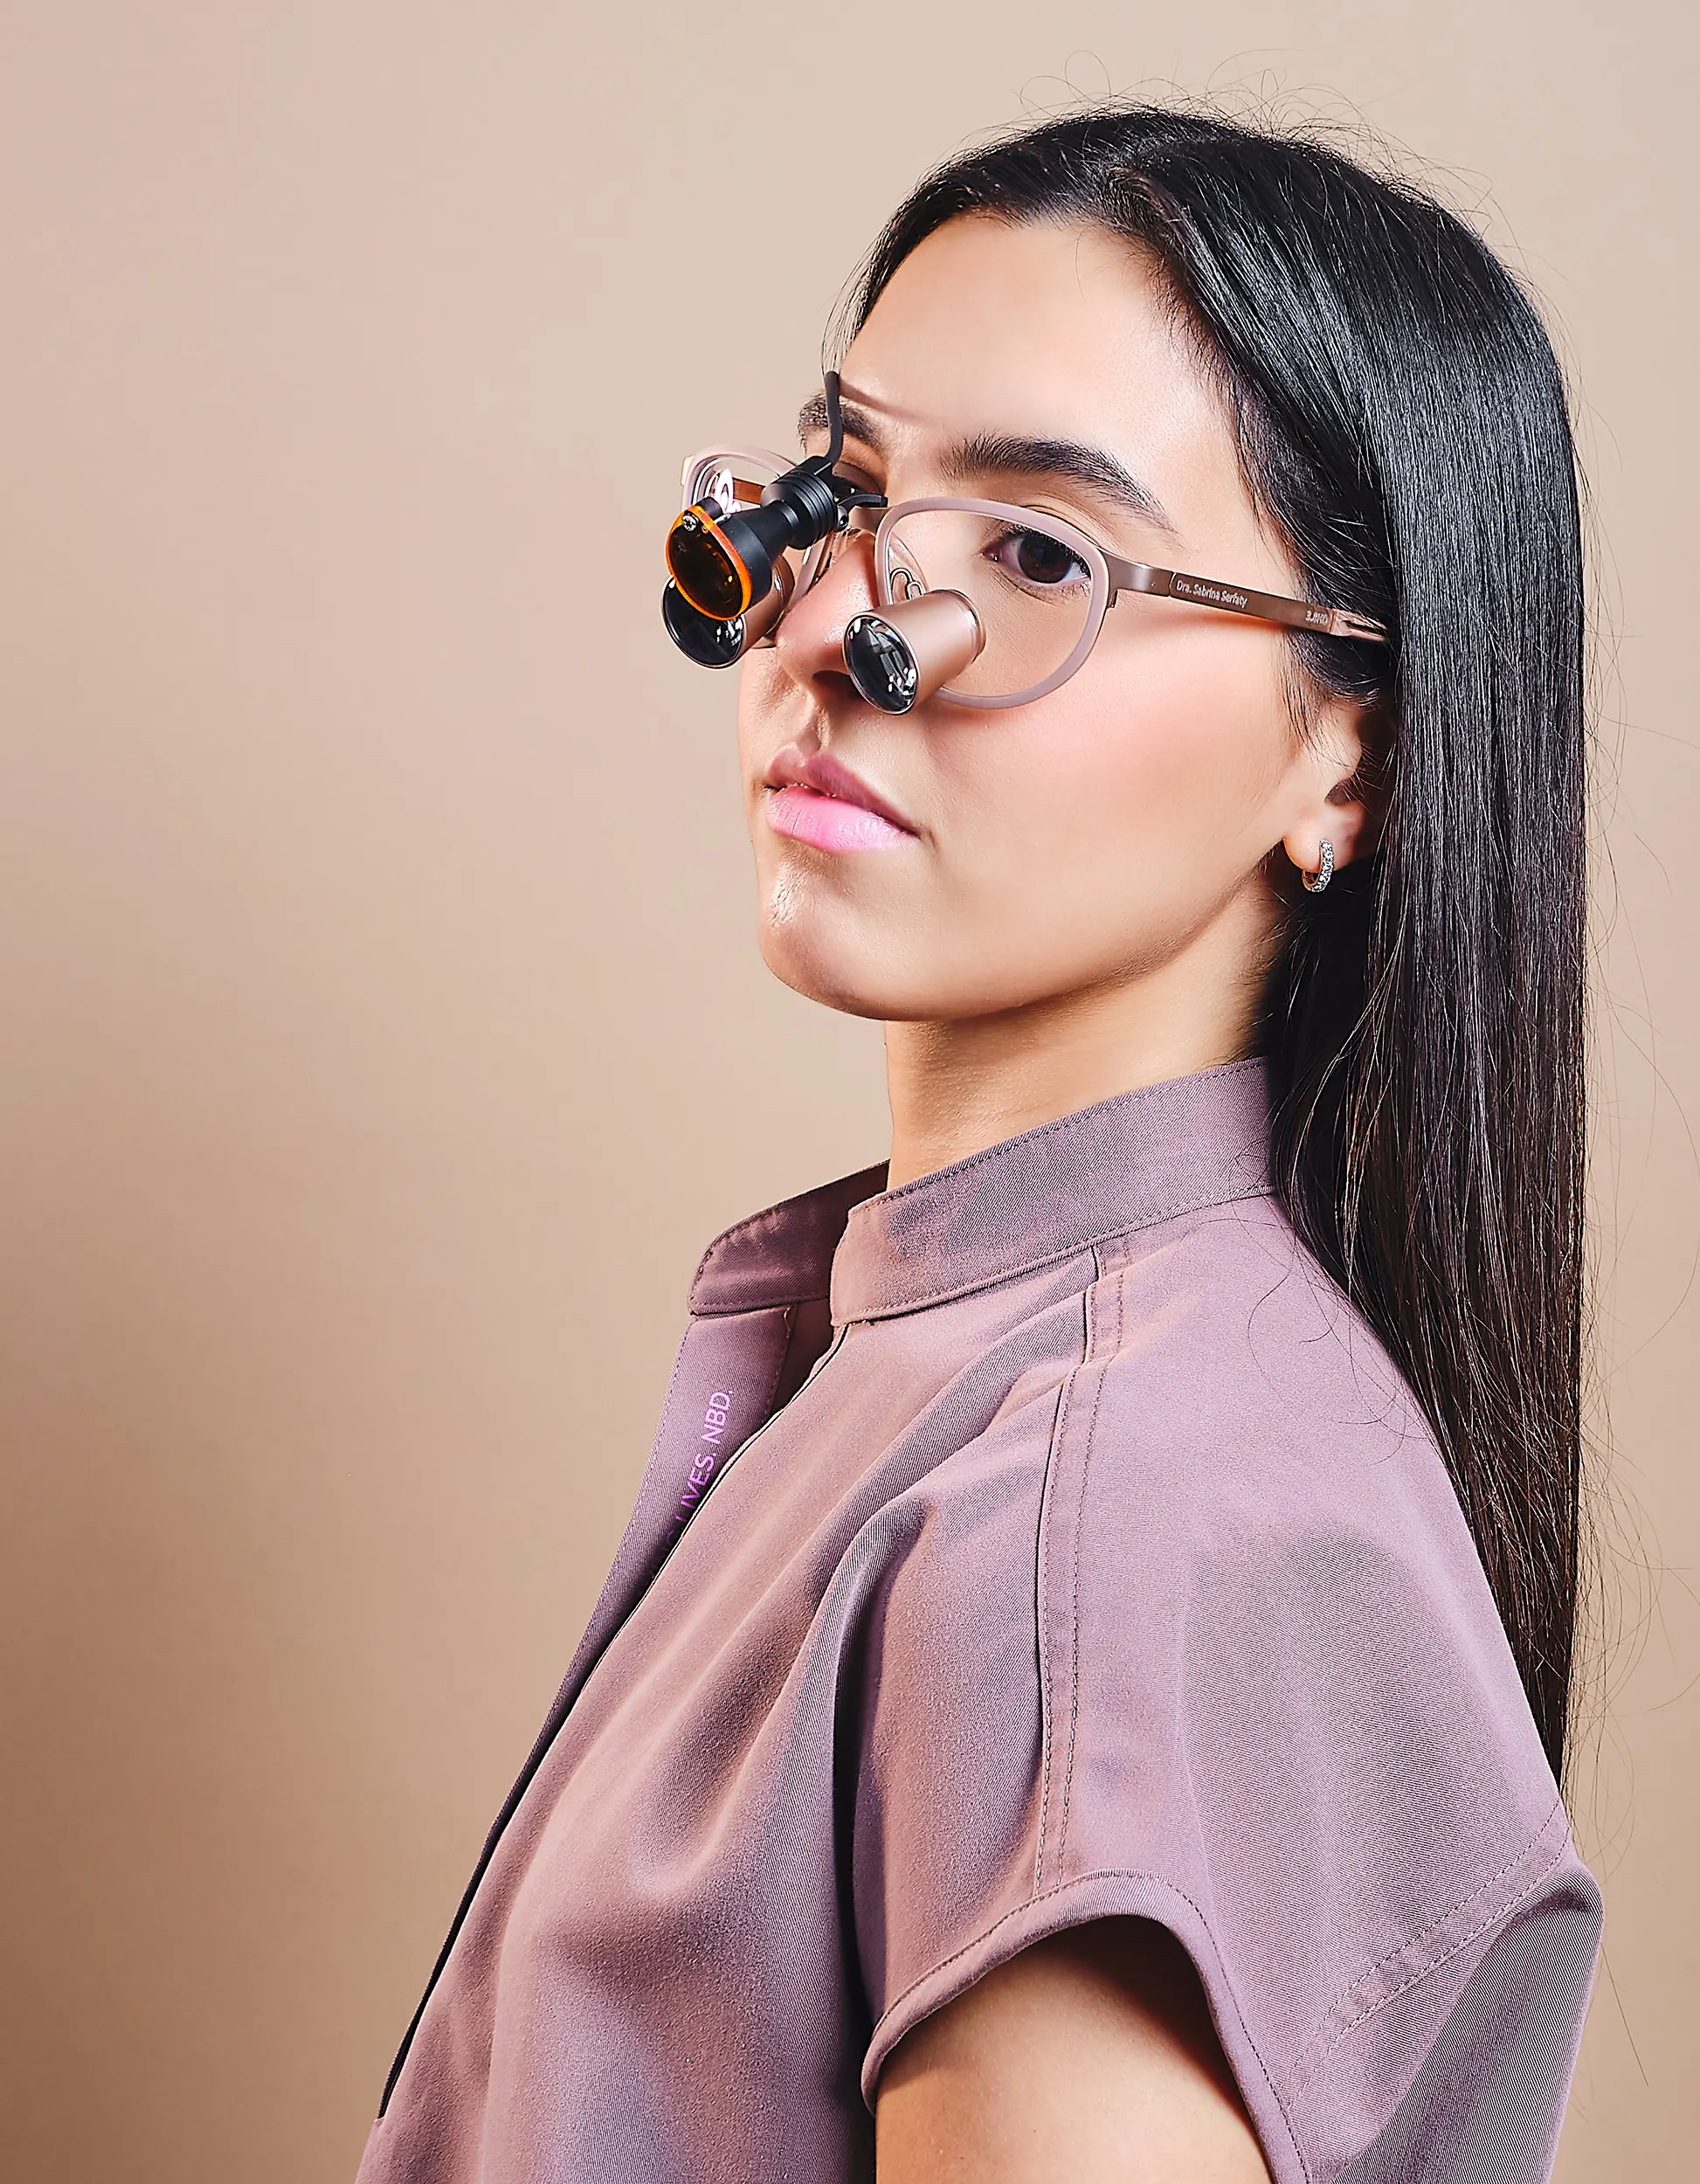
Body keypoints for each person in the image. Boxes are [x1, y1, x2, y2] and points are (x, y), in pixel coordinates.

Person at [358, 103, 1600, 2184]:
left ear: (1346, 752)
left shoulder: (1100, 1507)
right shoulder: (954, 1372)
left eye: (1037, 553)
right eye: (841, 488)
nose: (839, 632)